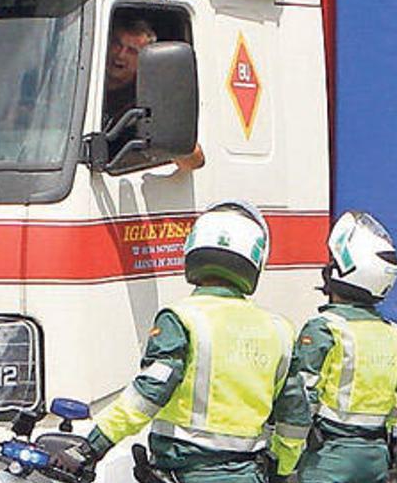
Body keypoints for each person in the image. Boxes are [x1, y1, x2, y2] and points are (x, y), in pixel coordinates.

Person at [49, 200, 310, 482]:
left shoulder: (182, 319)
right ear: (255, 260)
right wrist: (282, 471)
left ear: (193, 249)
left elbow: (147, 394)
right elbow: (295, 417)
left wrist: (91, 448)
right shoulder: (280, 331)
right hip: (249, 474)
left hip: (186, 473)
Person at [289, 211, 397, 483]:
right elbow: (396, 402)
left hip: (330, 458)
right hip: (375, 457)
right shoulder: (393, 334)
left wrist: (282, 461)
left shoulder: (325, 328)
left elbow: (300, 401)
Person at [104, 15, 205, 171]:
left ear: (146, 61)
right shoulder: (70, 83)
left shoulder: (150, 98)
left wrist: (172, 142)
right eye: (117, 44)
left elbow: (194, 160)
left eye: (132, 51)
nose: (120, 55)